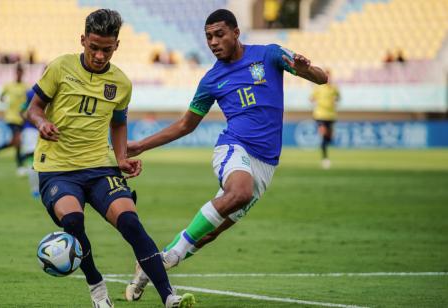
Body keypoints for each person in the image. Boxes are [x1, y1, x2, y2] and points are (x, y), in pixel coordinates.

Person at [125, 9, 327, 301]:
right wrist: (141, 145)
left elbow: (322, 78)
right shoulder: (211, 80)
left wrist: (306, 69)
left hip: (266, 164)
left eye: (219, 34)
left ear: (236, 32)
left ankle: (150, 266)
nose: (213, 42)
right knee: (240, 192)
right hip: (234, 148)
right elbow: (185, 125)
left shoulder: (269, 55)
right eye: (208, 37)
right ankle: (174, 255)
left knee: (209, 234)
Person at [26, 9, 195, 308]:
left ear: (116, 45)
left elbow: (118, 123)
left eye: (106, 49)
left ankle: (169, 296)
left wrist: (121, 158)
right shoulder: (60, 68)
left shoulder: (121, 83)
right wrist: (42, 124)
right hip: (57, 170)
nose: (100, 56)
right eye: (94, 48)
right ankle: (97, 288)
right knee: (74, 221)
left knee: (131, 222)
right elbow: (33, 108)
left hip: (100, 165)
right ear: (82, 41)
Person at [0, 64, 28, 175]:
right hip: (11, 117)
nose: (19, 73)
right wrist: (3, 100)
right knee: (18, 141)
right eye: (17, 71)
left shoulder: (26, 87)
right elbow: (0, 97)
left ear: (23, 73)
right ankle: (20, 165)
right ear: (15, 73)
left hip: (22, 118)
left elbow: (29, 100)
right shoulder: (8, 85)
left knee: (15, 142)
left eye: (21, 72)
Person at [310, 69, 339, 169]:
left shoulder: (334, 88)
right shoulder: (318, 87)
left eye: (329, 76)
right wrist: (314, 100)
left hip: (331, 115)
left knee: (329, 138)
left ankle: (325, 149)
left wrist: (335, 100)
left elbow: (338, 97)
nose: (328, 78)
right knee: (323, 133)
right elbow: (311, 98)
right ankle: (325, 158)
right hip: (320, 114)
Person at [20, 87, 40, 198]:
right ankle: (35, 189)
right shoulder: (32, 92)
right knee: (32, 158)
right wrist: (28, 119)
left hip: (44, 129)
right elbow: (22, 109)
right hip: (31, 131)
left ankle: (40, 188)